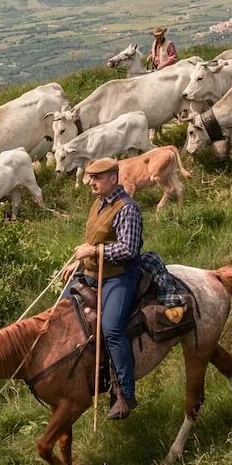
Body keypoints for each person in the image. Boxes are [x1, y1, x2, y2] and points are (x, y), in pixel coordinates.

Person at [67, 157, 144, 419]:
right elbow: (95, 238)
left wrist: (94, 251)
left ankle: (125, 393)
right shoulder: (98, 203)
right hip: (91, 272)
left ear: (113, 178)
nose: (91, 182)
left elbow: (128, 248)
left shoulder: (127, 209)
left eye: (96, 178)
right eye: (90, 177)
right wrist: (79, 262)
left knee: (112, 328)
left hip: (119, 276)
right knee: (62, 311)